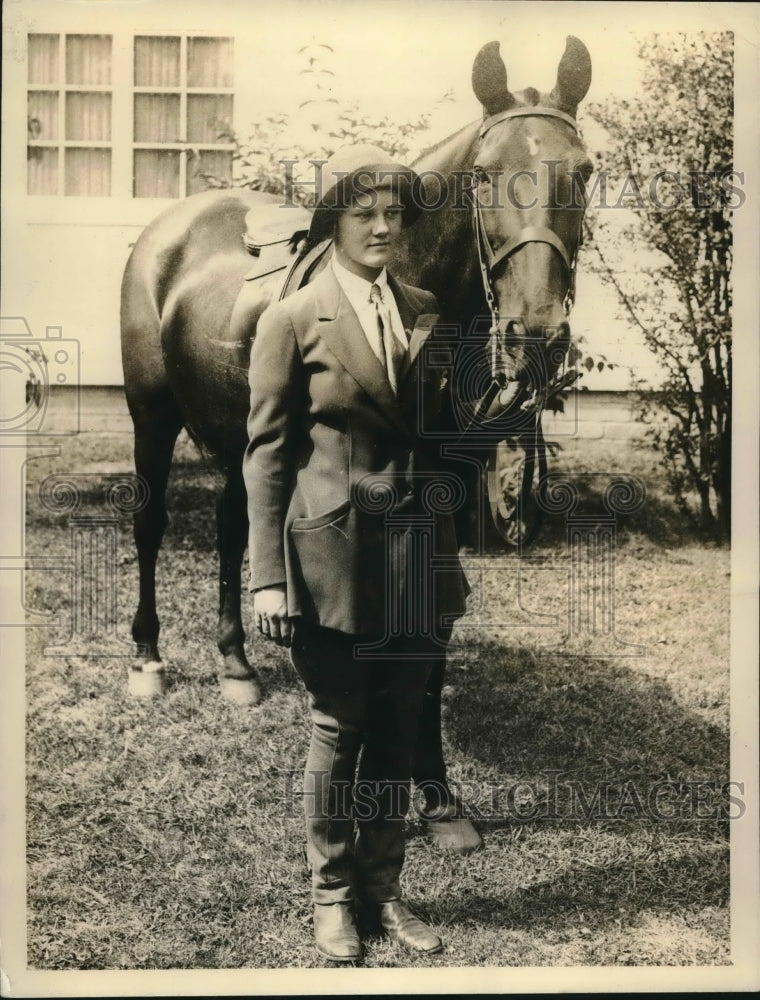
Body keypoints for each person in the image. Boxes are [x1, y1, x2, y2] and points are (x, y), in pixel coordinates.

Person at [243, 144, 474, 962]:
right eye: (362, 212)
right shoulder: (293, 319)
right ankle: (333, 897)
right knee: (340, 725)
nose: (381, 227)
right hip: (334, 557)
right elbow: (267, 455)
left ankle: (383, 892)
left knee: (400, 726)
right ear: (333, 221)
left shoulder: (423, 307)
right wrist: (268, 577)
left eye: (391, 214)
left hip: (418, 553)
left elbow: (440, 435)